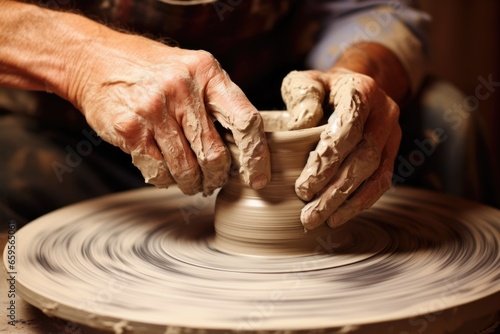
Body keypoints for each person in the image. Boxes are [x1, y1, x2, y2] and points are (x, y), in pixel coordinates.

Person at [0, 0, 430, 228]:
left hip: (266, 118)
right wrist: (80, 61)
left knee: (446, 120)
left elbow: (368, 10)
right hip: (60, 134)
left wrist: (357, 74)